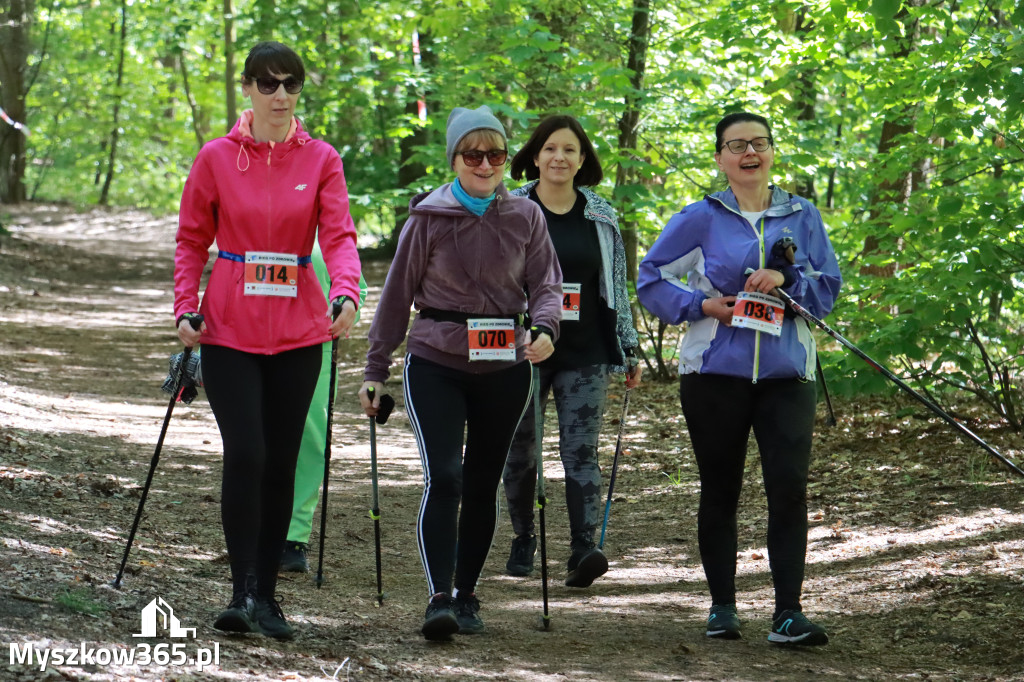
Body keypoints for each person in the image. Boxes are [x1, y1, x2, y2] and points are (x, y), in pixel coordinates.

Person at [173, 41, 362, 640]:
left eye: (292, 84)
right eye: (269, 83)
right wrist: (184, 307)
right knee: (247, 453)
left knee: (281, 460)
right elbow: (190, 240)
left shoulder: (322, 158)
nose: (282, 94)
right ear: (249, 89)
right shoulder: (217, 157)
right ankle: (239, 591)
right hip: (228, 329)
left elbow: (339, 236)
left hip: (301, 333)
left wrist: (348, 293)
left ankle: (268, 596)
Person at [637, 112, 841, 646]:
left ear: (772, 151)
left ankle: (788, 613)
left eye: (759, 143)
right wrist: (703, 304)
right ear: (721, 158)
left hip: (787, 374)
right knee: (720, 488)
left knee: (789, 490)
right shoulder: (701, 218)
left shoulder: (802, 216)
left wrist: (787, 277)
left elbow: (829, 287)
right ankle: (723, 608)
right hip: (713, 375)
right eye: (736, 145)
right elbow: (651, 278)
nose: (749, 153)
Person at [359, 105, 563, 641]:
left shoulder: (526, 215)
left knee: (482, 481)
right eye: (473, 154)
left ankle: (468, 594)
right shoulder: (428, 216)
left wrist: (544, 328)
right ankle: (439, 597)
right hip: (436, 361)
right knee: (445, 475)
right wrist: (375, 369)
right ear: (455, 158)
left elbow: (546, 284)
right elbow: (396, 295)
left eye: (495, 154)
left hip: (505, 364)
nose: (485, 164)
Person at [502, 114, 642, 588]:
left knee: (580, 451)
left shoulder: (600, 214)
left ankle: (584, 546)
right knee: (518, 450)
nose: (559, 157)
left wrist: (629, 344)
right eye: (549, 149)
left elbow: (615, 286)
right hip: (523, 348)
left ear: (583, 160)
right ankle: (524, 538)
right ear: (535, 156)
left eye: (569, 150)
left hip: (586, 349)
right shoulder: (511, 206)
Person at [280, 246, 367, 573]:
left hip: (316, 346)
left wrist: (347, 309)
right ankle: (255, 526)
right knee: (256, 436)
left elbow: (356, 286)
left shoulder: (328, 228)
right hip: (253, 340)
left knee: (310, 439)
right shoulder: (257, 215)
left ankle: (294, 535)